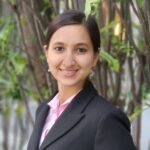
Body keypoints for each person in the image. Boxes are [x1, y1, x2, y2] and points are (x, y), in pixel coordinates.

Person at [27, 10, 136, 150]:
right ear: (47, 53)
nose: (68, 61)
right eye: (59, 48)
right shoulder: (44, 110)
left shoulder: (106, 119)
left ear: (95, 57)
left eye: (80, 50)